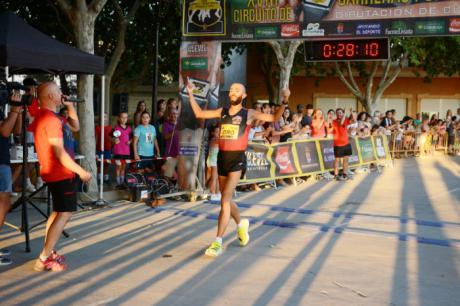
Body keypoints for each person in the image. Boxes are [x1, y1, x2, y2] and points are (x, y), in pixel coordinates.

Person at [186, 81, 290, 257]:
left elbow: (273, 118)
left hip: (237, 159)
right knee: (225, 200)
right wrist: (190, 93)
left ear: (244, 95)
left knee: (225, 200)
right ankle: (241, 223)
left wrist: (285, 100)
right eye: (232, 90)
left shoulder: (248, 113)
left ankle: (218, 242)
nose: (233, 92)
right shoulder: (222, 112)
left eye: (237, 90)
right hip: (222, 157)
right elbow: (198, 113)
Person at [33, 82, 91, 271]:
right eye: (58, 91)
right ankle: (43, 258)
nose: (61, 93)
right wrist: (80, 171)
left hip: (58, 172)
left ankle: (48, 252)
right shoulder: (49, 119)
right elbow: (58, 152)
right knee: (65, 213)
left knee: (59, 211)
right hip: (60, 172)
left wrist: (70, 106)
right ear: (50, 96)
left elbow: (75, 126)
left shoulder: (54, 117)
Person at [0, 92, 23, 266]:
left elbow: (16, 130)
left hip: (3, 162)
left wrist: (18, 112)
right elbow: (5, 131)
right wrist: (15, 110)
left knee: (4, 204)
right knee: (3, 203)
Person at [329, 108, 352, 181]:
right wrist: (345, 114)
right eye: (338, 113)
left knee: (346, 160)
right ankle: (336, 175)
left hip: (346, 143)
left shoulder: (346, 120)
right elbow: (341, 123)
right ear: (336, 114)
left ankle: (344, 174)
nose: (339, 114)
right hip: (338, 144)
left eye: (341, 113)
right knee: (337, 160)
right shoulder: (334, 121)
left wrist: (351, 112)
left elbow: (354, 120)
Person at [112, 112, 132, 187]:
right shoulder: (116, 128)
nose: (124, 119)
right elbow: (110, 137)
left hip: (126, 152)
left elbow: (132, 138)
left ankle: (122, 183)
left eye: (125, 118)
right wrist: (114, 140)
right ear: (119, 118)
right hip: (118, 151)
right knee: (118, 167)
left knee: (123, 167)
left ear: (127, 119)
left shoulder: (129, 128)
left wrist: (130, 141)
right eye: (122, 117)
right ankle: (118, 183)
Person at [162, 109, 179, 179]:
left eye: (175, 113)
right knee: (166, 171)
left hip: (181, 152)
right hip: (170, 152)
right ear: (169, 115)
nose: (174, 115)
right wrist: (175, 131)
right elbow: (165, 137)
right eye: (172, 113)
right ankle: (168, 186)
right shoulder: (166, 124)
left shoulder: (181, 124)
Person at [95, 113, 112, 182]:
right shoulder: (97, 128)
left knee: (107, 164)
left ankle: (106, 177)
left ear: (107, 118)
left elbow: (112, 138)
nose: (104, 118)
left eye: (105, 117)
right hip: (99, 149)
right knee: (99, 164)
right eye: (103, 117)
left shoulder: (110, 128)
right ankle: (99, 177)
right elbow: (95, 138)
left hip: (108, 149)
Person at [206, 125, 220, 201]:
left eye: (219, 131)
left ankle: (218, 193)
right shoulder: (214, 140)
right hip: (213, 161)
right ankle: (212, 193)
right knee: (214, 178)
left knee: (217, 178)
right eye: (217, 132)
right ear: (212, 133)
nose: (219, 133)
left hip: (216, 161)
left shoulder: (217, 139)